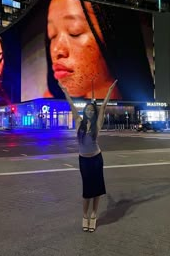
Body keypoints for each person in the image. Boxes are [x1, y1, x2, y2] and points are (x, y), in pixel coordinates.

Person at [44, 0, 154, 101]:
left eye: (74, 32)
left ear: (116, 36)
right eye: (52, 35)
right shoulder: (49, 107)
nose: (56, 50)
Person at [58, 79, 118, 232]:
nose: (90, 111)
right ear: (84, 111)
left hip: (96, 158)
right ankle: (84, 215)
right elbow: (71, 105)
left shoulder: (98, 124)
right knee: (87, 190)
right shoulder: (79, 122)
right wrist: (65, 91)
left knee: (97, 188)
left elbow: (103, 106)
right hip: (84, 160)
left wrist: (110, 90)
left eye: (92, 110)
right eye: (88, 109)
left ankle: (93, 215)